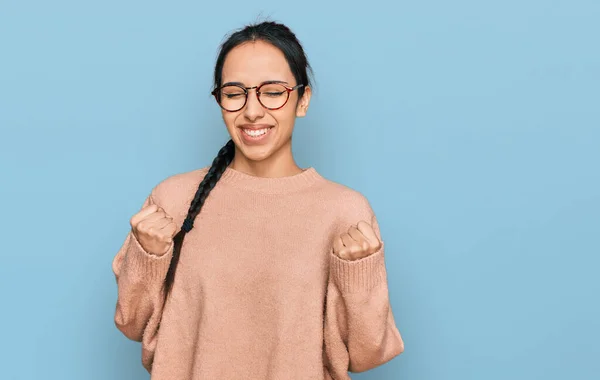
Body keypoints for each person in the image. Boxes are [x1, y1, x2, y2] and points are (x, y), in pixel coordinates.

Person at [112, 20, 404, 379]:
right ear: (219, 100)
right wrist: (146, 256)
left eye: (272, 91)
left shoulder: (345, 212)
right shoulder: (173, 199)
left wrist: (359, 274)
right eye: (235, 93)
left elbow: (368, 353)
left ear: (303, 100)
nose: (252, 111)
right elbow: (131, 322)